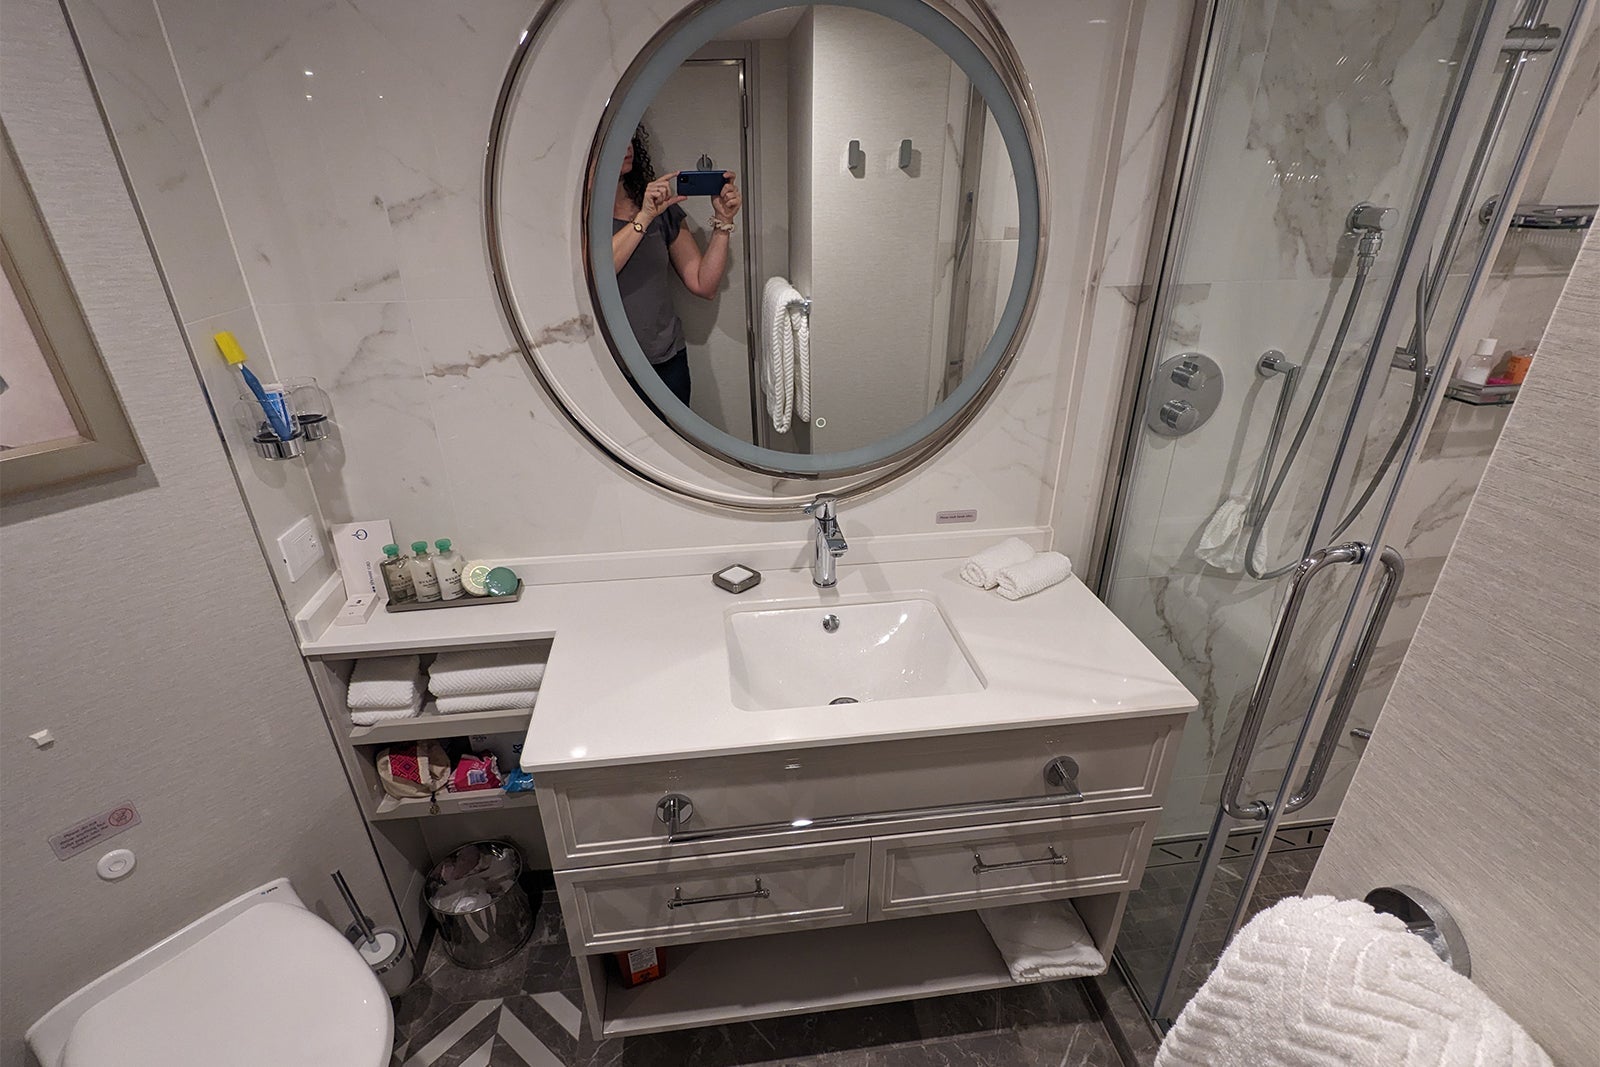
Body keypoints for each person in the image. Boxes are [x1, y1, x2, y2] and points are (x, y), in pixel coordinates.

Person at [611, 127, 741, 406]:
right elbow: (597, 272)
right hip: (607, 366)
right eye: (616, 139)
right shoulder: (578, 215)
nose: (627, 146)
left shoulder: (661, 208)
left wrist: (723, 222)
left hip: (666, 362)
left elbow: (703, 284)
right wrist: (644, 217)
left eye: (630, 138)